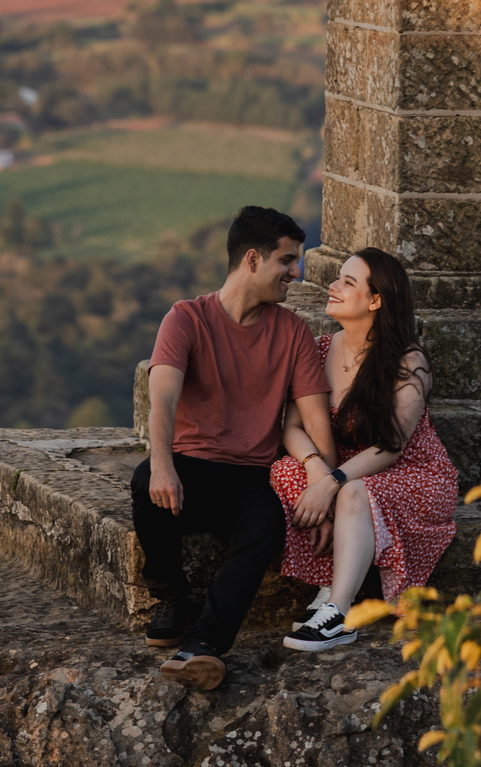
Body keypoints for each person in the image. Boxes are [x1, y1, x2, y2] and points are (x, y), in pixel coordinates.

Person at [130, 205, 334, 690]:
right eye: (286, 261)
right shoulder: (186, 319)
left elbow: (316, 420)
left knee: (264, 531)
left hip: (250, 474)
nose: (295, 272)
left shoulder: (292, 333)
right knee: (143, 484)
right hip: (190, 467)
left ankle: (202, 647)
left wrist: (328, 494)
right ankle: (171, 596)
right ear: (251, 260)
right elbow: (162, 398)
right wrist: (162, 466)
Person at [270, 247, 458, 652]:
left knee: (356, 491)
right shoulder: (320, 350)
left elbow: (391, 446)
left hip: (412, 475)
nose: (333, 287)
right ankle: (328, 584)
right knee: (286, 471)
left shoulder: (408, 362)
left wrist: (333, 483)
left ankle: (340, 613)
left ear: (375, 301)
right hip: (340, 471)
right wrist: (318, 473)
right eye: (338, 277)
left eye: (347, 282)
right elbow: (292, 426)